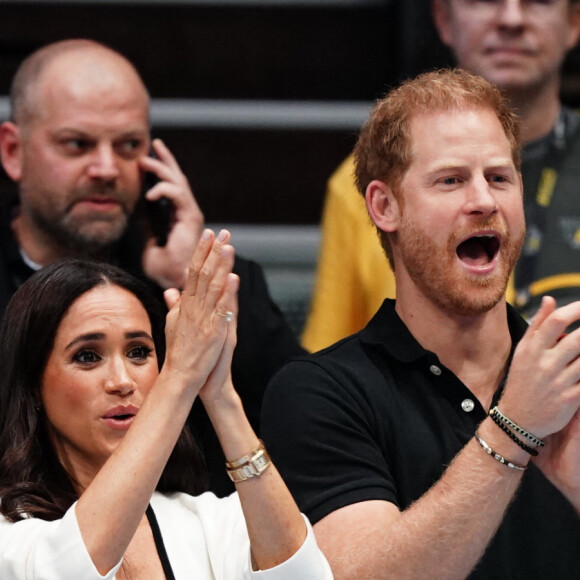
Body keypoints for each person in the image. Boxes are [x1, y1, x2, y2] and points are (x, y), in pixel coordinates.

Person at [262, 69, 580, 579]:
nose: (483, 200)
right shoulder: (319, 393)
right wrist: (513, 432)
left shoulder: (571, 374)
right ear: (385, 206)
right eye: (451, 180)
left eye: (500, 178)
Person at [0, 39, 304, 496]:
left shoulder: (193, 276)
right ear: (12, 151)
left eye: (128, 146)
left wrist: (192, 283)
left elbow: (298, 419)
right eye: (77, 144)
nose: (106, 168)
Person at [0, 230, 333, 580]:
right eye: (87, 356)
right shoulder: (11, 529)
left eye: (139, 352)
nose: (122, 381)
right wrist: (178, 378)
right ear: (33, 384)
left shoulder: (210, 521)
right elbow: (70, 568)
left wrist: (219, 394)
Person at [302, 0, 580, 352]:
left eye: (537, 0)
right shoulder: (364, 183)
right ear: (444, 19)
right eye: (486, 0)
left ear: (574, 22)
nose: (511, 18)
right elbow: (332, 363)